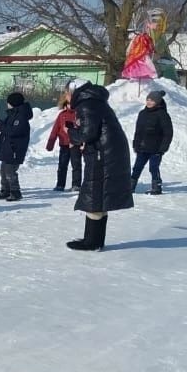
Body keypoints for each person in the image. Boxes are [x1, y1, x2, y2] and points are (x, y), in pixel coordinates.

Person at [63, 79, 134, 250]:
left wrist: (71, 132)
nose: (65, 97)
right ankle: (94, 239)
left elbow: (88, 134)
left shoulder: (86, 105)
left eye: (66, 92)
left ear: (73, 91)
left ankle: (92, 241)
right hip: (107, 153)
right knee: (99, 195)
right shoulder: (95, 102)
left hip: (102, 155)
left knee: (95, 195)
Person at [130, 89, 174, 195]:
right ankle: (130, 186)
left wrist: (163, 148)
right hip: (142, 147)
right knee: (137, 167)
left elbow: (168, 133)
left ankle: (156, 186)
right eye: (148, 100)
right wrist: (136, 144)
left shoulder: (162, 114)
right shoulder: (142, 113)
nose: (149, 102)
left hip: (156, 148)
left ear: (157, 102)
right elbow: (138, 131)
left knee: (153, 167)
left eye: (152, 100)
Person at [0, 91, 32, 201]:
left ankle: (15, 191)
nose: (7, 104)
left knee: (10, 171)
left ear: (13, 103)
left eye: (8, 102)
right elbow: (8, 128)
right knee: (3, 171)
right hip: (8, 148)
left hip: (15, 149)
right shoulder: (13, 114)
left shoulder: (21, 117)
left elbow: (13, 131)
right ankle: (5, 190)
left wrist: (0, 125)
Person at [46, 91, 81, 191]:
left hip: (75, 143)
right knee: (62, 165)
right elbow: (55, 130)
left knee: (76, 165)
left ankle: (76, 184)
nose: (69, 106)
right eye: (67, 104)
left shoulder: (78, 114)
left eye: (71, 104)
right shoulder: (62, 115)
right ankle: (60, 184)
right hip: (64, 144)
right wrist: (50, 144)